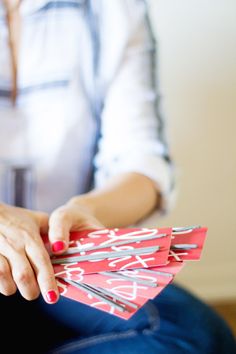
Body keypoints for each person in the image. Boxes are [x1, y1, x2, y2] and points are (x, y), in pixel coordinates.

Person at [0, 1, 235, 353]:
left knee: (198, 337)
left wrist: (90, 210)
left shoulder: (114, 8)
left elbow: (141, 161)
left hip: (65, 257)